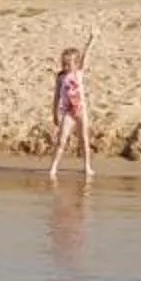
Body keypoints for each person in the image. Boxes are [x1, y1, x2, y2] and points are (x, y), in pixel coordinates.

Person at [46, 44, 92, 181]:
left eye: (68, 64)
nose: (65, 66)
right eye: (63, 63)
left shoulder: (78, 73)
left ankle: (87, 166)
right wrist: (54, 113)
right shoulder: (61, 77)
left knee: (84, 139)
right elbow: (56, 96)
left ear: (76, 64)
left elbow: (85, 56)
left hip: (81, 111)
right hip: (68, 112)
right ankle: (53, 167)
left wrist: (91, 41)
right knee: (61, 141)